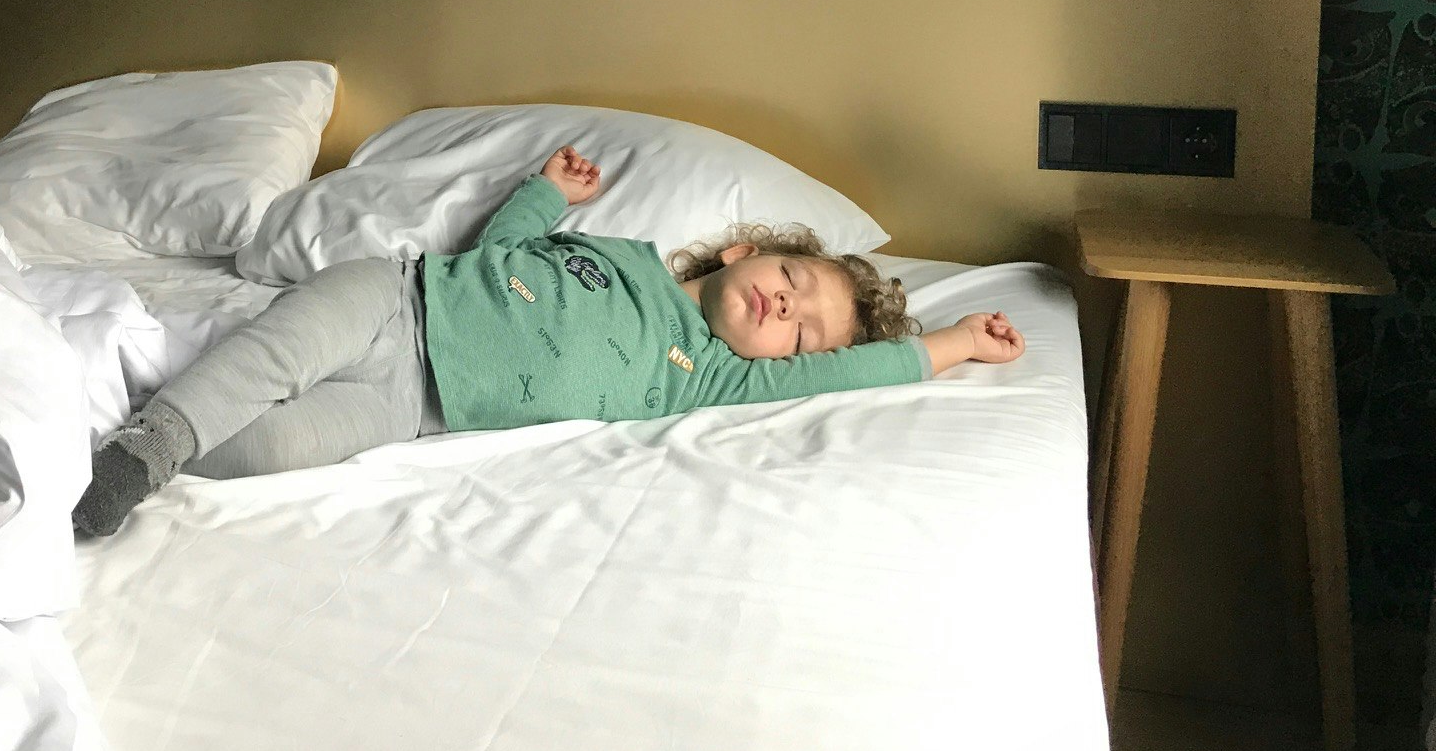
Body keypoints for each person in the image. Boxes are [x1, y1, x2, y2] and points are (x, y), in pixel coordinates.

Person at [73, 145, 1027, 537]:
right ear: (745, 252)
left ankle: (104, 458)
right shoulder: (626, 259)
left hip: (415, 406)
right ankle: (151, 444)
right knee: (275, 354)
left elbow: (861, 366)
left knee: (274, 447)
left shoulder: (704, 378)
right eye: (795, 283)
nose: (788, 311)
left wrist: (949, 346)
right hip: (398, 302)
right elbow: (506, 251)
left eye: (806, 333)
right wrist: (547, 195)